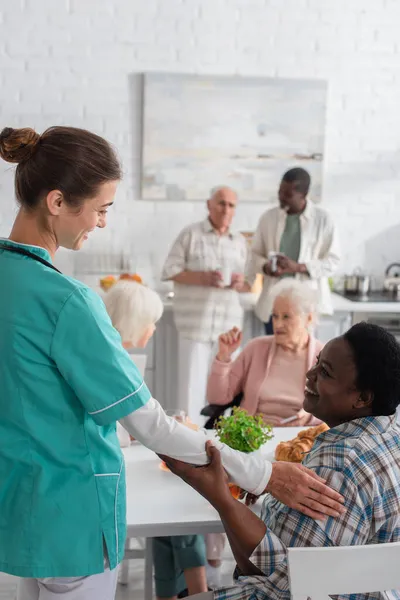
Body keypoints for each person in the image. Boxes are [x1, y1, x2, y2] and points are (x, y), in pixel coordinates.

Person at [0, 126, 344, 600]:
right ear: (57, 202)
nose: (102, 222)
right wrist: (263, 473)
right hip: (72, 516)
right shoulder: (68, 302)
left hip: (18, 507)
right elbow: (151, 425)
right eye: (101, 209)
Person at [161, 322, 400, 600]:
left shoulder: (338, 464)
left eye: (325, 372)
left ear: (362, 398)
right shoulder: (390, 438)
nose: (309, 375)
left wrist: (221, 498)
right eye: (317, 363)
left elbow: (280, 584)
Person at [104, 279, 208, 599]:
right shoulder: (115, 362)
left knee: (173, 513)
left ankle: (171, 593)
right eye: (151, 322)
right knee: (181, 506)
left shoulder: (110, 354)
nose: (153, 329)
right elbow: (135, 427)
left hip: (120, 463)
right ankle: (198, 590)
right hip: (113, 472)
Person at [161, 186, 248, 424]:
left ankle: (220, 443)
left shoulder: (239, 241)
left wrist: (241, 282)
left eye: (231, 205)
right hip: (195, 325)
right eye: (221, 203)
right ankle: (188, 440)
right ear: (209, 205)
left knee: (226, 388)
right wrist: (201, 277)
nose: (226, 209)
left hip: (228, 327)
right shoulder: (190, 234)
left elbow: (248, 283)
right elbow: (169, 270)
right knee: (192, 390)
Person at [207, 279, 323, 427]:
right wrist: (223, 357)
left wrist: (309, 418)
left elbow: (336, 411)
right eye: (275, 316)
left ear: (309, 318)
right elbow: (217, 398)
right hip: (253, 434)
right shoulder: (255, 348)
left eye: (286, 316)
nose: (278, 324)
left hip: (300, 438)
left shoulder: (324, 356)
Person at [246, 167, 340, 334]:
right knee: (274, 356)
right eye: (280, 191)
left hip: (305, 306)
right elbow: (253, 255)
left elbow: (333, 262)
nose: (281, 197)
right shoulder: (269, 218)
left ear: (303, 195)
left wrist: (298, 267)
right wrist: (267, 267)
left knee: (305, 358)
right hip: (273, 305)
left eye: (288, 195)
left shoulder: (323, 220)